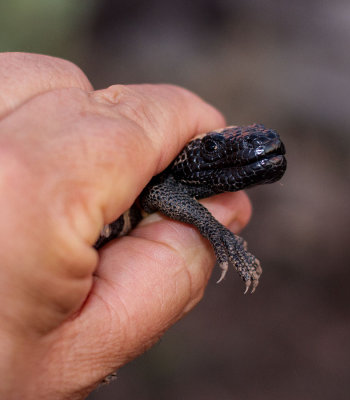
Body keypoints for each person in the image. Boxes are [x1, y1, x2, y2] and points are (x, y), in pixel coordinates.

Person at [0, 52, 252, 399]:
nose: (253, 147)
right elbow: (162, 191)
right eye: (211, 147)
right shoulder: (157, 178)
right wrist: (218, 231)